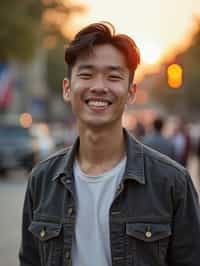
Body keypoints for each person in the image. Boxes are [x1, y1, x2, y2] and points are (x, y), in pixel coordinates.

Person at [19, 22, 200, 266]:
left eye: (113, 76)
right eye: (86, 74)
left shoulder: (172, 182)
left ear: (131, 92)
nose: (99, 87)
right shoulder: (41, 180)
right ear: (67, 88)